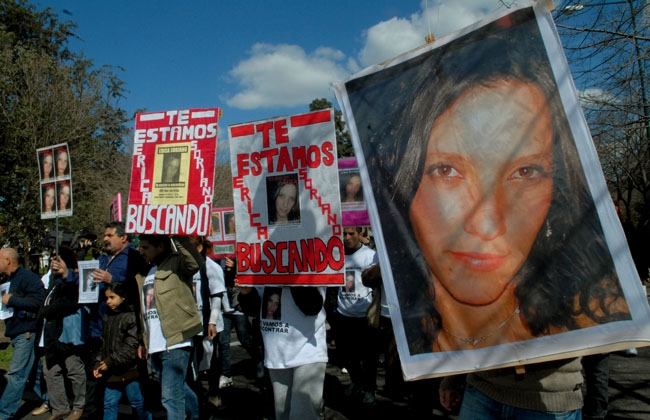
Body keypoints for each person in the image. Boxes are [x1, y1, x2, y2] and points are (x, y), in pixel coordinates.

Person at [358, 8, 630, 353]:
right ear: (406, 183)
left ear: (556, 188)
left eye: (525, 172)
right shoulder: (412, 333)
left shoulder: (587, 318)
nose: (487, 224)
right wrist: (454, 376)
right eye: (447, 171)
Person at [81, 222, 149, 420]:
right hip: (100, 328)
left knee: (134, 388)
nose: (105, 239)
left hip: (125, 328)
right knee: (98, 380)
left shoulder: (134, 257)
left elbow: (141, 285)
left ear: (123, 238)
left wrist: (113, 278)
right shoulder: (102, 259)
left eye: (109, 235)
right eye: (104, 235)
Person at [136, 234, 203, 420]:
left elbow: (194, 262)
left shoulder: (176, 264)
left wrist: (179, 237)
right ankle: (199, 413)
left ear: (161, 247)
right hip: (155, 344)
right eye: (140, 246)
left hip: (175, 340)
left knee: (170, 398)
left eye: (146, 247)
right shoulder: (145, 271)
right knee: (178, 388)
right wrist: (144, 341)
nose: (141, 250)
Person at [239, 285, 327, 420]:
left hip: (307, 351)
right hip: (276, 354)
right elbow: (256, 309)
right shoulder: (261, 266)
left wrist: (291, 276)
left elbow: (313, 306)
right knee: (282, 415)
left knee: (302, 416)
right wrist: (247, 293)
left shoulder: (313, 266)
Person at [39, 247, 88, 420]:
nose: (53, 261)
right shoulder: (53, 279)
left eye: (57, 258)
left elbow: (71, 301)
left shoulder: (74, 278)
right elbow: (46, 301)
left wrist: (49, 309)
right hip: (52, 332)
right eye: (52, 257)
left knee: (74, 369)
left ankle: (79, 407)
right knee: (50, 370)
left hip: (68, 332)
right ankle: (59, 407)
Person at [93, 282, 151, 420]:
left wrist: (110, 361)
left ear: (123, 296)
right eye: (106, 298)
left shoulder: (131, 316)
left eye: (112, 297)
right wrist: (98, 362)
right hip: (112, 369)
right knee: (109, 403)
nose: (108, 301)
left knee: (137, 402)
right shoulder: (108, 316)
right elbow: (103, 342)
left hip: (129, 370)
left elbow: (131, 346)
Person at [0, 248, 45, 420]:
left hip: (26, 331)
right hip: (16, 331)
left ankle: (4, 413)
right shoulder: (8, 279)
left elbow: (39, 301)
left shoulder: (28, 278)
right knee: (34, 373)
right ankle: (53, 400)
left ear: (8, 260)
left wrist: (12, 300)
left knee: (16, 374)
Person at [334, 227, 378, 405]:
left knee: (368, 357)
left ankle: (369, 390)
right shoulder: (337, 254)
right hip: (343, 313)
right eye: (344, 234)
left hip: (364, 314)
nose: (347, 238)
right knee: (347, 356)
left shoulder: (370, 255)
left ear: (361, 234)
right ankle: (356, 383)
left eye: (351, 233)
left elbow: (375, 282)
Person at [188, 236, 226, 409]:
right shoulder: (186, 266)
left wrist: (212, 322)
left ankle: (213, 392)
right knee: (193, 359)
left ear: (200, 247)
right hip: (191, 322)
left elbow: (217, 296)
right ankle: (195, 394)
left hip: (209, 322)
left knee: (211, 358)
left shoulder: (212, 267)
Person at [217, 256, 264, 390]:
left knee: (245, 339)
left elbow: (243, 278)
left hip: (238, 306)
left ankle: (259, 361)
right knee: (223, 342)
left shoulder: (239, 256)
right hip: (223, 307)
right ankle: (226, 374)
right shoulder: (214, 261)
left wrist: (234, 267)